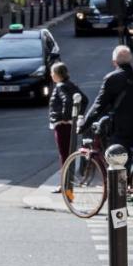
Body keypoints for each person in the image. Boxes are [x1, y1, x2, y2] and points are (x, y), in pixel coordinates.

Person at [82, 44, 133, 151]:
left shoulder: (111, 78)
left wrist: (84, 124)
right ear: (130, 61)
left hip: (122, 127)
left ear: (114, 62)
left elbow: (98, 105)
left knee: (114, 156)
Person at [48, 62, 87, 193]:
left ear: (57, 74)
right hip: (69, 124)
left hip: (62, 125)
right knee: (68, 153)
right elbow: (85, 99)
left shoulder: (60, 86)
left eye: (52, 73)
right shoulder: (71, 85)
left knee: (64, 154)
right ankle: (67, 183)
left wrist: (64, 118)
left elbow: (67, 101)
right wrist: (78, 116)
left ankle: (65, 185)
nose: (51, 75)